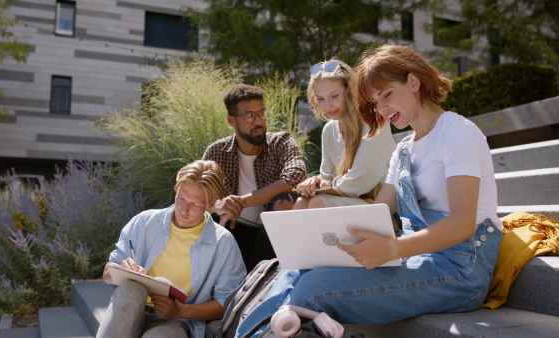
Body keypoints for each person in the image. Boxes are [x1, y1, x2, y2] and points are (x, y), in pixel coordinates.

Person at [235, 44, 502, 337]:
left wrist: (394, 248)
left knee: (314, 289)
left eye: (386, 94)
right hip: (415, 257)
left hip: (461, 268)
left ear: (414, 82)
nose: (382, 109)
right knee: (297, 269)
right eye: (375, 101)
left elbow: (463, 223)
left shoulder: (456, 132)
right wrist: (318, 243)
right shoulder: (403, 149)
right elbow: (380, 210)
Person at [97, 160, 246, 338]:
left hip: (178, 322)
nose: (184, 209)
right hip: (131, 310)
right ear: (176, 189)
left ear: (211, 204)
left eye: (195, 204)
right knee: (131, 289)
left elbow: (227, 305)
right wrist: (121, 269)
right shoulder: (144, 222)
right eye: (181, 197)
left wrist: (181, 311)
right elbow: (107, 272)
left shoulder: (223, 243)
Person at [202, 84, 307, 269]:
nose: (258, 121)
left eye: (261, 113)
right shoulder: (217, 152)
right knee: (210, 217)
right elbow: (197, 197)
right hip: (233, 231)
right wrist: (218, 205)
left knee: (284, 202)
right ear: (231, 121)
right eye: (249, 116)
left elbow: (296, 177)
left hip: (273, 237)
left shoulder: (281, 142)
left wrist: (240, 202)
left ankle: (260, 280)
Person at [294, 59, 395, 209]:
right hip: (351, 202)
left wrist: (326, 184)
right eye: (320, 99)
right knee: (302, 201)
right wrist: (315, 181)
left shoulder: (373, 119)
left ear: (350, 92)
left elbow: (359, 182)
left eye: (334, 96)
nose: (327, 106)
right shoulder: (329, 130)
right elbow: (327, 178)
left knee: (317, 202)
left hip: (383, 208)